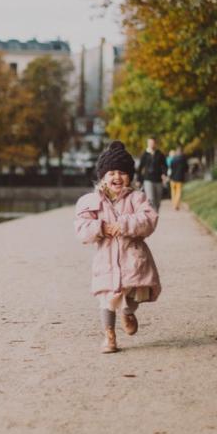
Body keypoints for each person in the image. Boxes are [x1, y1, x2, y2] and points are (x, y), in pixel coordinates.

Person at [75, 141, 162, 354]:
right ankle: (109, 336)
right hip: (106, 259)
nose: (117, 177)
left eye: (122, 173)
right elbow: (81, 228)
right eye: (112, 173)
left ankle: (128, 312)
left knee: (130, 295)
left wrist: (123, 225)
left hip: (132, 259)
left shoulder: (136, 198)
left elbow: (149, 219)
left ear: (130, 177)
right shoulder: (92, 201)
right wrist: (101, 227)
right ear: (103, 176)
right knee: (107, 298)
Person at [136, 137, 168, 212]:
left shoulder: (160, 154)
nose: (151, 144)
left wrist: (164, 174)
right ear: (148, 143)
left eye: (153, 143)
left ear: (155, 143)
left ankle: (155, 213)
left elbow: (165, 165)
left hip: (158, 180)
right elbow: (140, 168)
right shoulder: (144, 154)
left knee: (158, 201)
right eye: (150, 143)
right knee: (151, 199)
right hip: (148, 179)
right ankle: (152, 216)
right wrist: (138, 180)